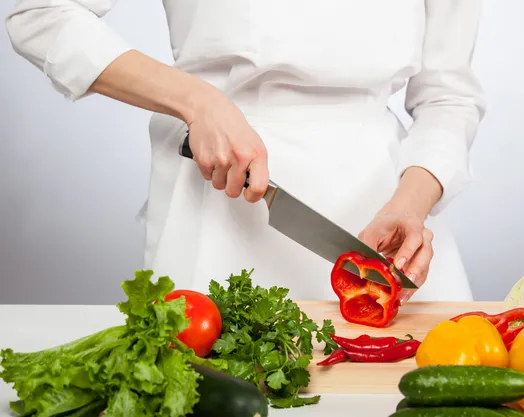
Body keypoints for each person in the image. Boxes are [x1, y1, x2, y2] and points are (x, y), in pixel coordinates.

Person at [5, 1, 486, 303]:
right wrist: (197, 101)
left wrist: (411, 204)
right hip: (220, 208)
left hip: (384, 219)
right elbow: (40, 13)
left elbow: (448, 95)